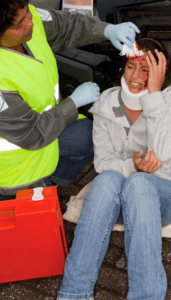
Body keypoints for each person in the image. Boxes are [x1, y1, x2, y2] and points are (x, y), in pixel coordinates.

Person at [57, 38, 171, 300]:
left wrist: (154, 96)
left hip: (159, 199)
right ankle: (73, 294)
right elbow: (102, 163)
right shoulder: (107, 103)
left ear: (160, 75)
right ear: (123, 67)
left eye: (147, 70)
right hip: (116, 201)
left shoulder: (167, 101)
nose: (136, 76)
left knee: (139, 183)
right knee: (107, 178)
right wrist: (133, 165)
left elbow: (164, 157)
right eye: (132, 66)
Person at [0, 0, 139, 200]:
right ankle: (38, 185)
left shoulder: (24, 14)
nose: (29, 23)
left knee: (87, 134)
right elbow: (32, 134)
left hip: (44, 134)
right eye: (19, 25)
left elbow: (65, 25)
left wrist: (106, 29)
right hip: (16, 170)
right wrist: (72, 104)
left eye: (27, 16)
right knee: (38, 223)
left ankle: (53, 178)